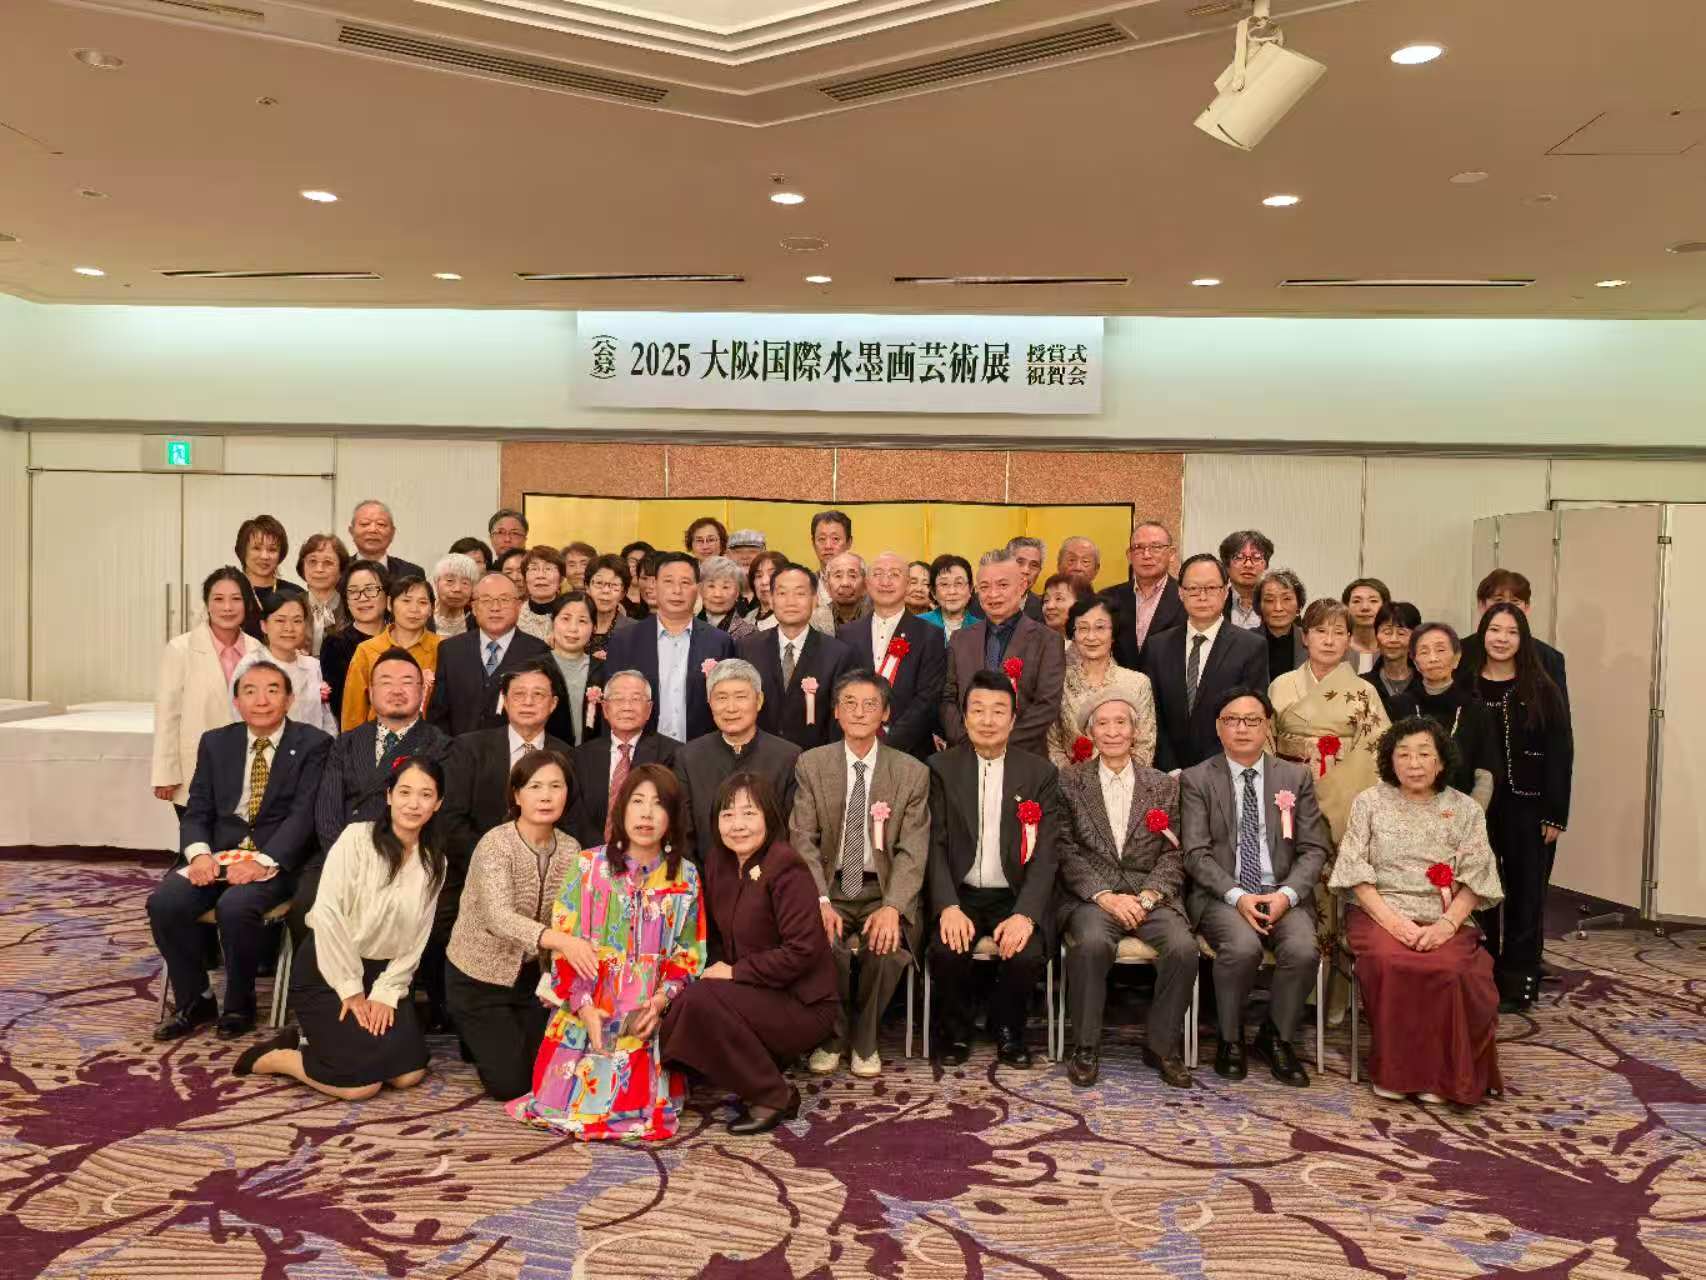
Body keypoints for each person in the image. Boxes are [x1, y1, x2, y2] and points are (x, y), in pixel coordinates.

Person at [508, 765, 706, 1141]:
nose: (646, 814)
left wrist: (660, 1002)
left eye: (658, 804)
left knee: (639, 1111)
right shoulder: (588, 866)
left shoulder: (687, 877)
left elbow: (689, 955)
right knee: (562, 1105)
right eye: (637, 802)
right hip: (587, 1004)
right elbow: (564, 948)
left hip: (647, 1013)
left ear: (672, 817)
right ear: (621, 809)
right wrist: (584, 1006)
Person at [234, 757, 448, 1098]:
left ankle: (320, 1042)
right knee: (360, 1087)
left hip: (382, 973)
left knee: (408, 1074)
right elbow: (328, 915)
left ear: (437, 804)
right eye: (405, 792)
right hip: (329, 967)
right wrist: (351, 989)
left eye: (425, 795)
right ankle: (283, 1058)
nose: (413, 803)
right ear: (389, 795)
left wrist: (387, 990)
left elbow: (418, 935)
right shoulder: (357, 839)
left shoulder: (434, 861)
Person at [147, 660, 330, 1040]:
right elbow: (198, 809)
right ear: (237, 702)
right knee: (165, 902)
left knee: (236, 906)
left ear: (289, 699)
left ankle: (239, 1003)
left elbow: (304, 816)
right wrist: (199, 854)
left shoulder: (313, 744)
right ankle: (195, 998)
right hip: (218, 856)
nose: (261, 700)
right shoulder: (216, 743)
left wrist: (262, 861)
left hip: (276, 860)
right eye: (250, 691)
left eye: (272, 690)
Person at [1332, 717, 1505, 1105]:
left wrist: (1446, 925)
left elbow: (1477, 878)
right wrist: (1394, 923)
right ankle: (1397, 1074)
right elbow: (1354, 872)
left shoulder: (1465, 810)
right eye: (1404, 754)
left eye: (1424, 754)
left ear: (1441, 762)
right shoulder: (1369, 803)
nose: (1414, 764)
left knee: (1453, 969)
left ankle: (1444, 1076)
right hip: (1379, 913)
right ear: (1389, 760)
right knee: (1393, 961)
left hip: (1445, 915)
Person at [663, 773, 838, 1133]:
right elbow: (714, 935)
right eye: (727, 815)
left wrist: (734, 973)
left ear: (769, 816)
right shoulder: (719, 861)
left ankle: (774, 1095)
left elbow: (802, 951)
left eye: (749, 813)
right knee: (690, 997)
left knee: (702, 1000)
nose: (737, 825)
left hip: (803, 1002)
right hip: (756, 992)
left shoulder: (786, 865)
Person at [1179, 688, 1328, 1086]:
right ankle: (1230, 1039)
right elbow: (1195, 854)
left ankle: (1276, 1037)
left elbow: (1314, 848)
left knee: (1303, 949)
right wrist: (1238, 896)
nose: (1242, 728)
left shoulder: (1295, 777)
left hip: (1282, 892)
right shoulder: (1197, 779)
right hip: (1223, 895)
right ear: (1218, 727)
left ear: (1267, 727)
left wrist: (1286, 895)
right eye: (1232, 720)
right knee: (1242, 948)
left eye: (1252, 720)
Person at [790, 672, 930, 1078]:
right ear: (835, 711)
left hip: (880, 889)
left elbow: (912, 851)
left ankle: (866, 1039)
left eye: (870, 705)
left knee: (887, 946)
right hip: (830, 887)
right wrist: (819, 900)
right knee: (820, 943)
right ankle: (832, 1036)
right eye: (849, 703)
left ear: (885, 714)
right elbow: (802, 840)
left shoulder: (911, 772)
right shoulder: (812, 764)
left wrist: (893, 907)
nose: (859, 712)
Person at [1055, 691, 1196, 1088]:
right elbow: (1064, 849)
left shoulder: (1163, 785)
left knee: (1183, 948)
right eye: (1103, 724)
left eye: (1121, 723)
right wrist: (1104, 896)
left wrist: (1150, 896)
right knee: (1091, 945)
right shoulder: (1069, 782)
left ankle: (1162, 1046)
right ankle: (1085, 1046)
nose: (1113, 731)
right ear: (1090, 733)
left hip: (1149, 896)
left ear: (1136, 731)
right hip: (1093, 898)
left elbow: (1175, 852)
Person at [927, 670, 1060, 1068]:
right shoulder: (940, 768)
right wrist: (947, 905)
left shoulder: (1039, 773)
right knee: (947, 949)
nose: (988, 720)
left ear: (1013, 719)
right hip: (961, 892)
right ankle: (956, 1030)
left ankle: (1008, 1029)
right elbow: (933, 845)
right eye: (978, 710)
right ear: (965, 717)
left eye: (998, 711)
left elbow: (1046, 853)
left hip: (1012, 895)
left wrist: (1026, 913)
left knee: (1025, 954)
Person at [1268, 598, 1392, 997]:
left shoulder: (1364, 692)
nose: (1329, 639)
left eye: (1339, 632)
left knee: (1333, 892)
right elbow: (1266, 743)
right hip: (1286, 799)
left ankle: (1329, 996)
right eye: (1320, 631)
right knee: (1287, 883)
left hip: (1341, 803)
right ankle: (1286, 990)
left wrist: (1329, 796)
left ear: (1350, 640)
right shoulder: (1282, 684)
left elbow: (1375, 752)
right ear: (1305, 637)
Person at [444, 750, 583, 1101]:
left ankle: (492, 1040)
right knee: (511, 1085)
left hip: (531, 981)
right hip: (479, 978)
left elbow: (571, 916)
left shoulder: (571, 849)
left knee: (554, 1070)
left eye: (556, 786)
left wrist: (557, 974)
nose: (546, 796)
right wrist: (560, 941)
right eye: (535, 786)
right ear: (517, 795)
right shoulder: (495, 844)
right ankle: (476, 1033)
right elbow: (498, 917)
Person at [1462, 603, 1572, 1012]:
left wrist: (1555, 813)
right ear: (1482, 633)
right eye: (1495, 630)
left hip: (1529, 807)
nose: (1502, 639)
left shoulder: (1542, 688)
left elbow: (1561, 752)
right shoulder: (1466, 683)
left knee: (1526, 894)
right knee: (1479, 891)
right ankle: (1483, 974)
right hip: (1476, 807)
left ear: (1522, 639)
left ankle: (1520, 980)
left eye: (1511, 632)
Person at [302, 648, 450, 946]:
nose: (396, 690)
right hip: (342, 855)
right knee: (305, 904)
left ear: (422, 691)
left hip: (406, 858)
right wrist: (347, 860)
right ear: (370, 693)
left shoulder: (440, 745)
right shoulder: (346, 742)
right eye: (386, 682)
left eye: (407, 682)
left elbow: (438, 816)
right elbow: (328, 810)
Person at [440, 661, 575, 882]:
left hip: (547, 876)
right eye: (519, 694)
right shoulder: (469, 749)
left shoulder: (568, 756)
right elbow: (450, 819)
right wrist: (492, 865)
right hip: (472, 873)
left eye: (538, 694)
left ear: (553, 704)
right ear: (504, 701)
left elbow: (571, 823)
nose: (528, 702)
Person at [1140, 553, 1268, 771]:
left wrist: (1207, 773)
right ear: (1180, 593)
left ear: (1226, 591)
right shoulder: (1157, 646)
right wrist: (1171, 769)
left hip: (1225, 770)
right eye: (1193, 589)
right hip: (1167, 772)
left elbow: (1250, 716)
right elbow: (1152, 715)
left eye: (1210, 588)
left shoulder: (1251, 647)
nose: (1202, 596)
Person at [152, 567, 263, 807]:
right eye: (218, 599)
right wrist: (165, 773)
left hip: (248, 770)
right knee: (196, 831)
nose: (227, 608)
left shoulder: (257, 649)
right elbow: (167, 715)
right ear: (207, 604)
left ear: (246, 604)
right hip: (196, 770)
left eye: (236, 599)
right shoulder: (180, 649)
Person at [940, 549, 1065, 759]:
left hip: (1023, 757)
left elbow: (1047, 705)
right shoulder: (960, 639)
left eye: (1003, 585)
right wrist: (968, 741)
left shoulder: (1047, 640)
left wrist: (998, 744)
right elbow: (948, 698)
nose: (993, 594)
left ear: (1022, 586)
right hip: (965, 754)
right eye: (985, 587)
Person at [603, 552, 737, 743]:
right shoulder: (625, 640)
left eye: (685, 582)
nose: (677, 590)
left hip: (700, 750)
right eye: (668, 581)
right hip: (642, 751)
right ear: (654, 586)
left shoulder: (720, 642)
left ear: (698, 588)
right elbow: (610, 705)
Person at [675, 659, 801, 858]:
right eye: (721, 698)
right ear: (709, 703)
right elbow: (683, 834)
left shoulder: (788, 757)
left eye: (741, 697)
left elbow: (792, 833)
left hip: (771, 873)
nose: (731, 708)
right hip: (704, 873)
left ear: (759, 701)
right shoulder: (689, 757)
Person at [836, 551, 947, 760]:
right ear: (867, 583)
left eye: (894, 574)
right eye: (878, 574)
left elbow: (928, 698)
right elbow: (842, 692)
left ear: (907, 584)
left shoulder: (930, 634)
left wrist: (888, 744)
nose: (885, 581)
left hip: (910, 752)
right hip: (855, 748)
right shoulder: (847, 633)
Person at [739, 563, 857, 751]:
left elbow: (839, 721)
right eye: (782, 593)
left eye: (800, 593)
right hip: (757, 756)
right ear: (771, 599)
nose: (790, 602)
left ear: (814, 600)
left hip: (815, 758)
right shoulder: (748, 648)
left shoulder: (838, 654)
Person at [426, 571, 551, 737]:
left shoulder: (538, 652)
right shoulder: (451, 650)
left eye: (504, 600)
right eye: (486, 600)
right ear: (474, 608)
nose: (495, 608)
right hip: (457, 749)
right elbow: (437, 715)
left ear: (518, 606)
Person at [567, 670, 681, 847]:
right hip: (591, 853)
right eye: (618, 699)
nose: (627, 707)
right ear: (605, 708)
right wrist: (601, 853)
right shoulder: (580, 756)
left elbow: (673, 813)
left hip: (649, 851)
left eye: (636, 699)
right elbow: (575, 815)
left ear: (649, 709)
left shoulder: (674, 754)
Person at [1047, 596, 1156, 769]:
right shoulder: (1058, 681)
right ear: (1073, 634)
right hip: (1072, 780)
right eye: (1083, 628)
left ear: (1113, 634)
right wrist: (1073, 779)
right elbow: (1053, 745)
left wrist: (1118, 778)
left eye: (1100, 627)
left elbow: (1144, 747)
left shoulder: (1137, 683)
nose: (1091, 637)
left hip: (1127, 781)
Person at [1407, 622, 1496, 808]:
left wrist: (1471, 816)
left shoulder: (1476, 710)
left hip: (1463, 811)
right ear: (1415, 662)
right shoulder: (1399, 706)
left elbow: (1486, 773)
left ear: (1456, 658)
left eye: (1440, 650)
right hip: (1408, 811)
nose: (1433, 658)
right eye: (1424, 652)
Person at [341, 574, 440, 732]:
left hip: (430, 739)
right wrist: (354, 744)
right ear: (389, 604)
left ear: (432, 609)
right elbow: (353, 712)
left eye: (422, 602)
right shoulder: (367, 650)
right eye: (406, 601)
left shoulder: (443, 648)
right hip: (377, 739)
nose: (414, 609)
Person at [1463, 570, 1569, 708]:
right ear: (1481, 605)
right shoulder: (1460, 651)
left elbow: (1560, 717)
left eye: (1515, 602)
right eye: (1498, 600)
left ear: (1527, 608)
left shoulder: (1549, 658)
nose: (1506, 608)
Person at [234, 595, 337, 736]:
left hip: (313, 746)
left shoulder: (312, 665)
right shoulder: (250, 666)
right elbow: (238, 718)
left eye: (297, 621)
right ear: (264, 626)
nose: (289, 628)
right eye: (280, 620)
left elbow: (325, 716)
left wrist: (329, 743)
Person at [1106, 520, 1185, 670]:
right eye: (1138, 548)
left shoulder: (1186, 597)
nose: (1146, 555)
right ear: (1129, 556)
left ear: (1171, 554)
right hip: (1120, 683)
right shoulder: (1108, 598)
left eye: (1156, 547)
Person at [319, 561, 390, 725]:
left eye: (370, 589)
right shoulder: (335, 644)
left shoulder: (399, 638)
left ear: (387, 595)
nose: (362, 598)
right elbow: (339, 705)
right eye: (353, 592)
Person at [543, 592, 603, 747]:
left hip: (592, 754)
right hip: (547, 756)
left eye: (582, 621)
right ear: (553, 622)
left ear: (594, 628)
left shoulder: (603, 670)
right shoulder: (536, 668)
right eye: (565, 619)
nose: (573, 628)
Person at [236, 514, 306, 637]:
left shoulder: (296, 594)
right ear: (243, 551)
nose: (264, 556)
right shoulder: (229, 593)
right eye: (256, 548)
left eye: (272, 550)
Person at [296, 533, 350, 657]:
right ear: (302, 567)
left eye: (328, 562)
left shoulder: (352, 608)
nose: (319, 569)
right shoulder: (290, 605)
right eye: (312, 561)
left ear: (341, 570)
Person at [348, 499, 423, 582]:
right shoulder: (340, 570)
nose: (373, 530)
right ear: (351, 531)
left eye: (381, 524)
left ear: (392, 533)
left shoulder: (411, 573)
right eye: (365, 524)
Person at [1256, 569, 1308, 683]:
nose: (1278, 608)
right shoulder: (1243, 642)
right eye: (1269, 600)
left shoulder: (1311, 641)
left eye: (1287, 599)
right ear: (1259, 606)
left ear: (1299, 606)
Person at [1372, 601, 1422, 715]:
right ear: (1376, 637)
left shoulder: (1426, 684)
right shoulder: (1364, 684)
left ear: (1415, 640)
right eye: (1387, 632)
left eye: (1401, 633)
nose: (1393, 639)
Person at [1218, 530, 1273, 631]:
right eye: (1239, 557)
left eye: (1256, 558)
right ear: (1226, 565)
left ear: (1266, 565)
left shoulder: (1278, 605)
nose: (1248, 565)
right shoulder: (1216, 602)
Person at [584, 553, 635, 658]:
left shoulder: (636, 630)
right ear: (587, 587)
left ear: (623, 593)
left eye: (614, 585)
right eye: (599, 583)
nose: (606, 590)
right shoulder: (570, 628)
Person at [917, 554, 977, 638]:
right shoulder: (918, 624)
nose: (952, 591)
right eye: (944, 584)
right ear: (933, 592)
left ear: (970, 589)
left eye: (959, 583)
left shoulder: (982, 628)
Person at [698, 555, 756, 640]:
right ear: (700, 589)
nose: (718, 594)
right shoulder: (686, 626)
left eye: (725, 587)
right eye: (711, 586)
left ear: (737, 593)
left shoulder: (750, 634)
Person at [1341, 577, 1391, 675]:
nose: (1365, 607)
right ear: (1346, 607)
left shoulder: (1397, 649)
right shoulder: (1336, 648)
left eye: (1373, 601)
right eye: (1356, 601)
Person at [814, 550, 871, 634]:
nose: (845, 583)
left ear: (865, 584)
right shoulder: (814, 621)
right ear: (826, 584)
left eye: (852, 576)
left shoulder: (877, 618)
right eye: (838, 576)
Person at [517, 545, 566, 641]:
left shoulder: (571, 613)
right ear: (525, 578)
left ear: (561, 578)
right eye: (534, 569)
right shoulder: (514, 615)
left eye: (548, 568)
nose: (540, 575)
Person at [432, 552, 481, 638]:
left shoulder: (478, 622)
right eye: (450, 581)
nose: (457, 589)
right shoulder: (422, 616)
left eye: (465, 583)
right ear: (436, 583)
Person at [726, 528, 767, 619]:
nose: (745, 557)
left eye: (752, 552)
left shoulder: (773, 591)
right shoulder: (717, 591)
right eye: (738, 552)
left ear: (764, 554)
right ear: (727, 555)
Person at [1040, 573, 1094, 640]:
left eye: (1058, 599)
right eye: (1046, 600)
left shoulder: (1094, 642)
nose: (1049, 606)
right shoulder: (1034, 641)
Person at [747, 548, 788, 630]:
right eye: (759, 576)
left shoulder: (799, 616)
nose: (764, 582)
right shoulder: (747, 620)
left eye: (772, 575)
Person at [620, 540, 654, 619]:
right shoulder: (615, 599)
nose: (637, 566)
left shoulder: (655, 600)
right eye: (632, 561)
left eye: (642, 562)